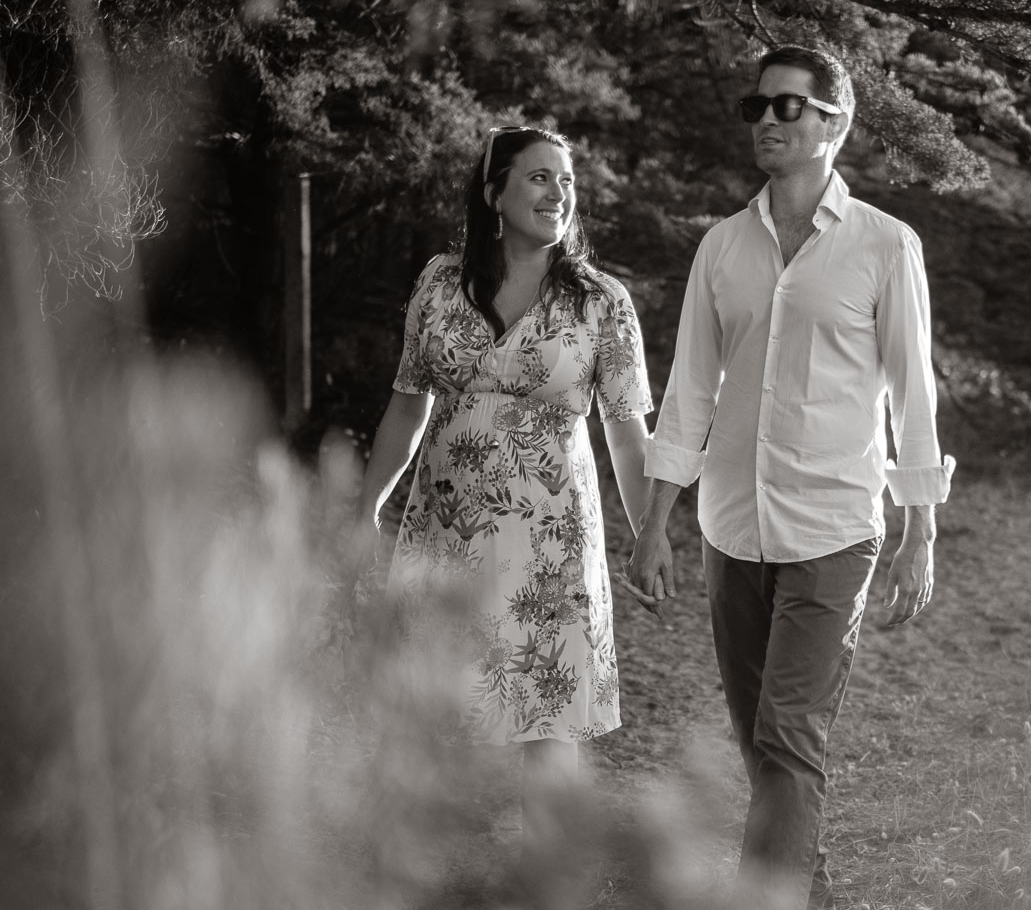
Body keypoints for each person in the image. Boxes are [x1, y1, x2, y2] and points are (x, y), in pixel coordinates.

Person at [619, 46, 955, 910]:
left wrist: (920, 531)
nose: (767, 120)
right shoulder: (723, 247)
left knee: (788, 736)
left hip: (835, 528)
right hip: (732, 527)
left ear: (834, 122)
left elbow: (914, 394)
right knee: (764, 747)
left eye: (788, 107)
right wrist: (659, 520)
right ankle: (815, 895)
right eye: (758, 107)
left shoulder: (886, 245)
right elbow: (689, 390)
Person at [353, 125, 656, 871]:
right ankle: (408, 870)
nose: (559, 193)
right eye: (539, 178)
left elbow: (629, 436)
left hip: (550, 541)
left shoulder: (600, 303)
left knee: (547, 717)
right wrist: (364, 510)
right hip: (442, 531)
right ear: (494, 193)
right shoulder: (437, 283)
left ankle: (549, 877)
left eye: (566, 180)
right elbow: (406, 405)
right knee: (426, 708)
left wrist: (652, 532)